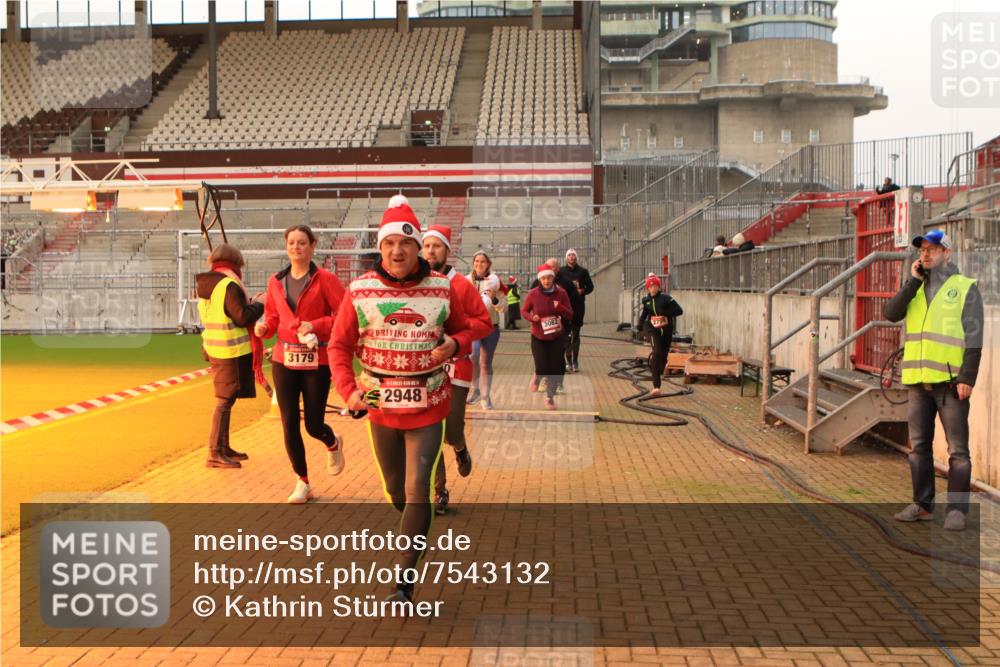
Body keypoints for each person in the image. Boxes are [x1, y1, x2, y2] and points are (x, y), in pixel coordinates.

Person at [329, 196, 476, 604]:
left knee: (417, 489)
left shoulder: (443, 287)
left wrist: (454, 345)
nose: (398, 251)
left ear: (418, 247)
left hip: (429, 402)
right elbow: (339, 347)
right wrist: (350, 391)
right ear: (381, 247)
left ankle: (404, 581)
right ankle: (418, 525)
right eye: (390, 243)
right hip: (380, 404)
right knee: (395, 490)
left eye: (407, 243)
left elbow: (466, 331)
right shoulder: (359, 291)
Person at [884, 229, 983, 531]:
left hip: (951, 383)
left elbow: (975, 337)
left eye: (933, 250)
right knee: (919, 448)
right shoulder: (915, 286)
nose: (926, 254)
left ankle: (956, 511)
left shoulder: (964, 287)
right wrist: (912, 281)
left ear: (947, 253)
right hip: (918, 382)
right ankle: (922, 505)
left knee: (958, 451)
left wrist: (968, 377)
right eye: (923, 250)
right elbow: (890, 313)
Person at [255, 224, 347, 504]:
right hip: (284, 359)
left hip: (317, 359)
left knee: (313, 424)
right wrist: (264, 329)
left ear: (312, 246)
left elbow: (344, 316)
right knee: (289, 423)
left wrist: (316, 325)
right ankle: (302, 481)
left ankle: (332, 442)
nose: (296, 247)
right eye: (292, 243)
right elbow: (272, 317)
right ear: (286, 247)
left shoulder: (326, 280)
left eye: (302, 243)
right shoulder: (275, 281)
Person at [421, 224, 493, 515]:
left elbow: (484, 323)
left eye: (436, 246)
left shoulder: (461, 285)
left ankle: (460, 448)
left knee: (450, 432)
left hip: (456, 368)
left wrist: (455, 337)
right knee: (431, 434)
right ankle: (439, 492)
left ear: (447, 251)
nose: (430, 252)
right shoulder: (418, 285)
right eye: (426, 246)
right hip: (426, 370)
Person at [196, 243, 265, 469]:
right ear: (236, 263)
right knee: (224, 402)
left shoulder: (208, 284)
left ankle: (223, 447)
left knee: (227, 400)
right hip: (230, 351)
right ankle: (214, 452)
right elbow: (242, 317)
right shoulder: (228, 284)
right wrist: (260, 305)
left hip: (215, 348)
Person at [522, 263, 574, 410]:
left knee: (557, 368)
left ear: (553, 278)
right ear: (540, 279)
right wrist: (532, 318)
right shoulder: (533, 294)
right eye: (543, 278)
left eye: (549, 278)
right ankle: (538, 376)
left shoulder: (561, 293)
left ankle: (549, 397)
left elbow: (570, 314)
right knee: (542, 366)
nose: (546, 281)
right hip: (538, 336)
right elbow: (524, 311)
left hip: (557, 336)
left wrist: (560, 308)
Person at [466, 251, 506, 409]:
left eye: (483, 261)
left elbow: (503, 307)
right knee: (473, 356)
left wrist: (495, 298)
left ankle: (485, 396)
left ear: (488, 264)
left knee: (486, 363)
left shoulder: (495, 281)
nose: (479, 264)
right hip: (474, 327)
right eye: (476, 261)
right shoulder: (467, 281)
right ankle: (474, 389)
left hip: (491, 327)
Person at [637, 273, 683, 396]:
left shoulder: (666, 299)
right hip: (652, 329)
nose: (653, 288)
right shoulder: (646, 301)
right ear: (647, 288)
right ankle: (656, 386)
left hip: (666, 330)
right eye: (650, 287)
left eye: (655, 286)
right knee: (656, 352)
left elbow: (679, 310)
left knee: (662, 357)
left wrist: (665, 312)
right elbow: (645, 313)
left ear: (659, 287)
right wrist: (640, 324)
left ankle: (656, 367)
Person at [558, 249, 594, 373]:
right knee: (567, 335)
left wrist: (582, 291)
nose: (572, 257)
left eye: (573, 255)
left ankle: (575, 361)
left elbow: (590, 287)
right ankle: (567, 361)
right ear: (566, 258)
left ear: (576, 257)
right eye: (569, 255)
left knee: (576, 334)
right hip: (565, 307)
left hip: (578, 307)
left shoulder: (583, 272)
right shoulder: (561, 272)